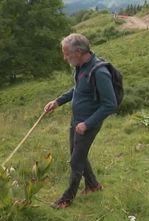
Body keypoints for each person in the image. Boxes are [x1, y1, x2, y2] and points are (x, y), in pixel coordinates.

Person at [44, 33, 117, 209]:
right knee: (77, 155)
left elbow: (110, 104)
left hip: (88, 124)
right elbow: (78, 90)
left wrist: (87, 124)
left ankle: (66, 199)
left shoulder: (99, 72)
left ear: (78, 51)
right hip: (76, 121)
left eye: (67, 53)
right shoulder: (81, 67)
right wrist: (58, 101)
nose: (64, 57)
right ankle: (93, 185)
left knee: (76, 161)